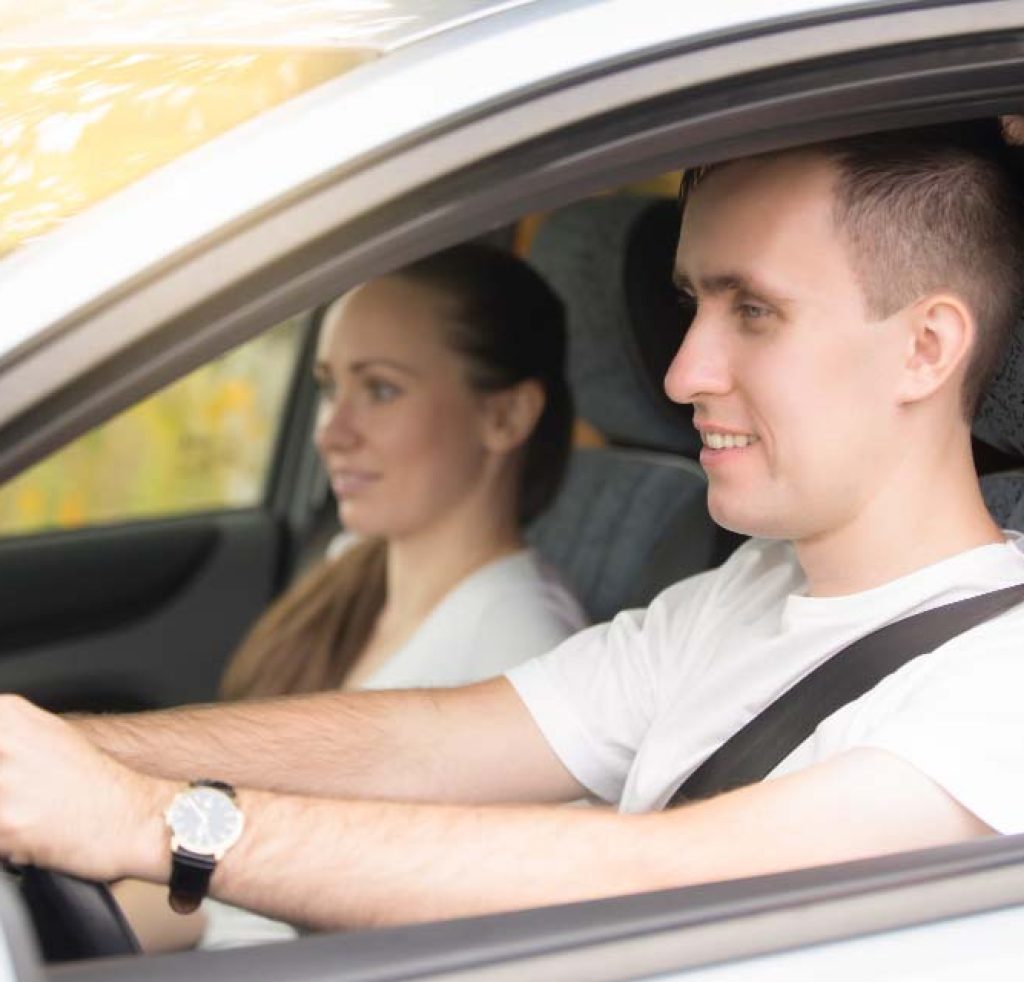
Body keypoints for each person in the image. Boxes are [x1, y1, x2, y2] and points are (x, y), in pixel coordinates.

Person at [2, 120, 1024, 934]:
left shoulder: (1000, 679)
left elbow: (654, 878)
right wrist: (72, 755)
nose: (680, 374)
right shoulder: (748, 590)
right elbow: (426, 740)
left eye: (751, 311)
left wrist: (148, 820)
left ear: (925, 347)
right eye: (689, 308)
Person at [117, 243, 589, 949]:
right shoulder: (351, 565)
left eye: (382, 389)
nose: (330, 432)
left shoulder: (519, 649)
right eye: (331, 387)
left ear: (506, 417)